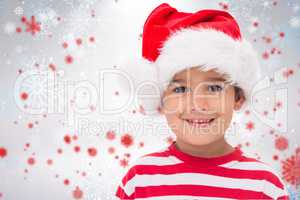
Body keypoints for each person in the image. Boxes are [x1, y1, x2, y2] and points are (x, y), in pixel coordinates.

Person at [115, 3, 289, 199]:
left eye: (214, 88)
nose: (197, 103)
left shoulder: (264, 185)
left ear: (238, 97)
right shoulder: (140, 180)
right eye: (180, 89)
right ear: (161, 101)